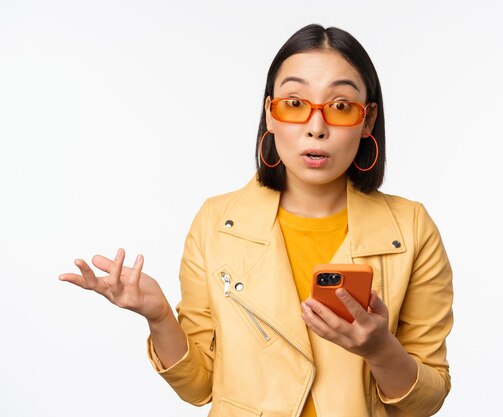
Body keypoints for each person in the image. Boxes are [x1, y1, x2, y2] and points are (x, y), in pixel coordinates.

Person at [59, 23, 454, 417]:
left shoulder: (411, 228)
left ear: (367, 121)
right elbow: (199, 387)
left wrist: (379, 349)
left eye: (340, 106)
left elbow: (427, 401)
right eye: (295, 104)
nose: (316, 128)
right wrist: (160, 316)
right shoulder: (216, 222)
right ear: (270, 114)